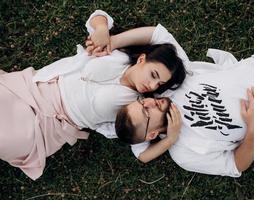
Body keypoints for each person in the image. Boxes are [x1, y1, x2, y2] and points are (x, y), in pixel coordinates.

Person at [0, 10, 188, 180]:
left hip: (46, 126)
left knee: (7, 138)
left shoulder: (138, 107)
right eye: (154, 75)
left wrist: (170, 139)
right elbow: (101, 17)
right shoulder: (116, 53)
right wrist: (102, 29)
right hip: (35, 87)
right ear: (141, 59)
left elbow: (141, 154)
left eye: (160, 84)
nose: (153, 85)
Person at [113, 40, 254, 177]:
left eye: (141, 102)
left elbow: (156, 34)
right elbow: (237, 165)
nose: (150, 102)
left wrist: (111, 38)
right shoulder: (184, 153)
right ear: (152, 135)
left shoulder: (168, 84)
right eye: (146, 112)